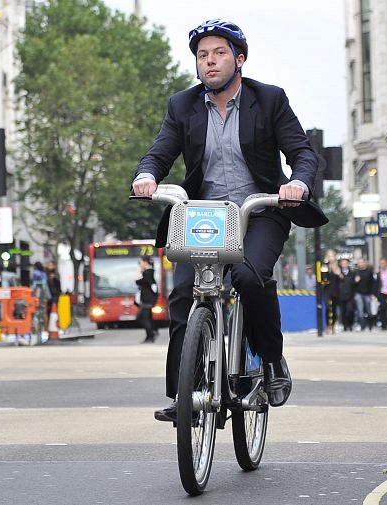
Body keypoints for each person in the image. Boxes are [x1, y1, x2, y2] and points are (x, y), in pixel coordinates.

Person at [132, 18, 327, 421]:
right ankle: (183, 396)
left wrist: (298, 183)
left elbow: (303, 154)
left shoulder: (269, 100)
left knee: (248, 277)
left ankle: (271, 359)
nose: (210, 61)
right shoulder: (182, 106)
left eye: (219, 53)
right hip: (204, 216)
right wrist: (147, 175)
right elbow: (160, 152)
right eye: (203, 55)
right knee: (184, 293)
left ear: (239, 59)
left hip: (259, 212)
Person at [135, 256, 159, 343]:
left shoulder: (148, 273)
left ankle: (151, 335)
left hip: (148, 300)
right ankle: (152, 333)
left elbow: (138, 281)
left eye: (141, 262)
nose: (140, 264)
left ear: (145, 262)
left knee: (143, 318)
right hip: (147, 300)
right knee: (146, 318)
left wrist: (139, 271)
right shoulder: (148, 272)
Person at [353, 257, 376, 330]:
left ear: (365, 263)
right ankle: (362, 325)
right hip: (359, 293)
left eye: (362, 262)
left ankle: (370, 325)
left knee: (369, 310)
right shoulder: (356, 272)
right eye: (359, 262)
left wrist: (373, 293)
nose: (360, 264)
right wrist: (355, 281)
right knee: (360, 310)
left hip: (367, 293)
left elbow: (373, 283)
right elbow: (352, 284)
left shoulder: (369, 272)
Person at [336, 258, 356, 332]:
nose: (344, 264)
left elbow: (354, 283)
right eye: (343, 263)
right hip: (341, 295)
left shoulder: (352, 273)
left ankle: (350, 324)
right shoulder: (338, 273)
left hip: (350, 295)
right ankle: (345, 326)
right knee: (343, 311)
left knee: (349, 310)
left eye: (345, 263)